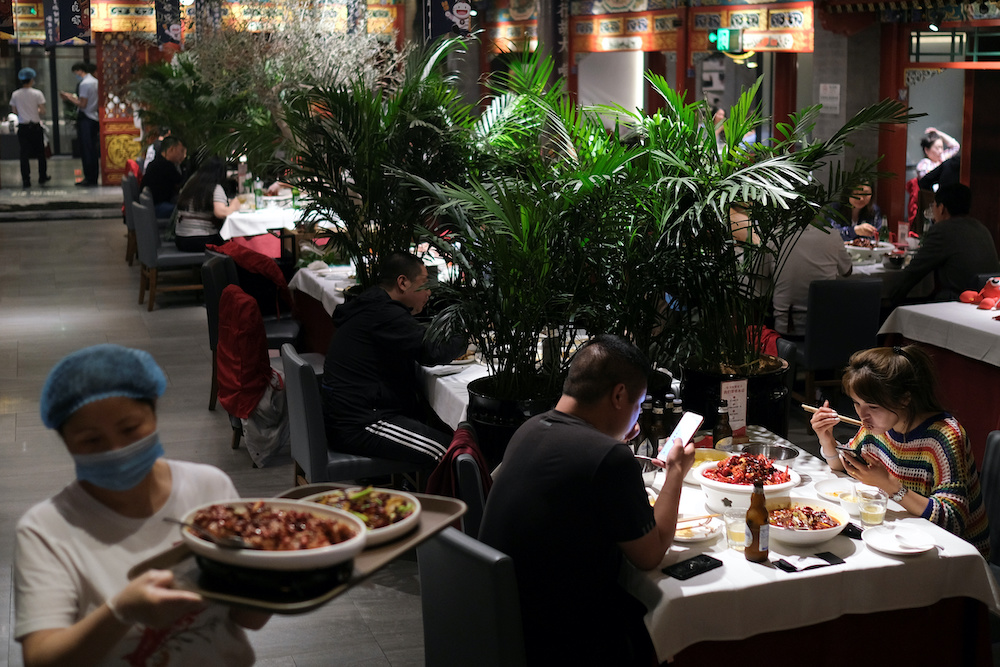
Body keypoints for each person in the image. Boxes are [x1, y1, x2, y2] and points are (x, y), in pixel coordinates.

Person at [14, 344, 269, 666]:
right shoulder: (45, 531)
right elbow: (40, 658)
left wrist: (277, 573)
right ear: (65, 442)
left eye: (130, 429)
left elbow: (248, 618)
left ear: (154, 411)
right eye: (92, 440)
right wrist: (120, 612)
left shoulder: (209, 488)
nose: (116, 449)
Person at [478, 335, 696, 666]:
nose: (637, 418)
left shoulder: (530, 429)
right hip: (561, 642)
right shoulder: (609, 459)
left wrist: (612, 435)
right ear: (619, 395)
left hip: (503, 626)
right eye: (638, 406)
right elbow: (650, 555)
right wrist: (676, 472)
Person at [809, 345, 989, 557]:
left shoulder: (944, 436)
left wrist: (890, 486)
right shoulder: (879, 426)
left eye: (873, 407)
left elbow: (953, 521)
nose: (862, 415)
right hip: (902, 537)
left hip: (953, 554)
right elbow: (846, 466)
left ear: (904, 399)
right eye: (856, 403)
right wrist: (826, 438)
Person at [321, 251, 466, 466]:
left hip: (353, 414)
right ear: (403, 282)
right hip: (361, 423)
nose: (429, 292)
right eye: (425, 283)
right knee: (453, 454)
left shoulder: (371, 303)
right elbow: (431, 350)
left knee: (438, 429)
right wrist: (466, 335)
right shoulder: (384, 313)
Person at [889, 183, 1000, 306]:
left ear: (941, 208)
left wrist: (888, 301)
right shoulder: (981, 228)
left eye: (934, 206)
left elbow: (914, 272)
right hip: (989, 300)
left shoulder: (943, 230)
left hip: (960, 301)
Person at [772, 221, 853, 337]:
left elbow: (760, 280)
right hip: (824, 328)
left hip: (785, 328)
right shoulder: (832, 235)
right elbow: (847, 271)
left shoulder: (775, 237)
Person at [174, 156, 240, 252]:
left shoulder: (190, 185)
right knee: (233, 243)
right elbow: (221, 213)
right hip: (201, 240)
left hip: (181, 239)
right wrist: (234, 205)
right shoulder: (214, 188)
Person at [59, 62, 100, 186]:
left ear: (80, 70)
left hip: (86, 117)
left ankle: (89, 177)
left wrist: (69, 97)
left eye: (75, 73)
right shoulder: (96, 82)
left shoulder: (85, 84)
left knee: (86, 149)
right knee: (92, 149)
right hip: (94, 117)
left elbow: (82, 104)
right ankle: (93, 176)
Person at [10, 67, 49, 188]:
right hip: (35, 126)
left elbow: (14, 111)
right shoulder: (37, 93)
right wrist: (35, 111)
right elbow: (43, 111)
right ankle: (42, 176)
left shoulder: (15, 94)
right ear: (31, 80)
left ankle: (26, 179)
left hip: (23, 127)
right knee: (40, 153)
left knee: (24, 154)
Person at [142, 136, 188, 218]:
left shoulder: (154, 163)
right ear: (171, 149)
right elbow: (183, 183)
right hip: (158, 208)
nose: (183, 155)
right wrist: (184, 165)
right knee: (186, 210)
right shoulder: (166, 166)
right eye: (181, 151)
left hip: (150, 207)